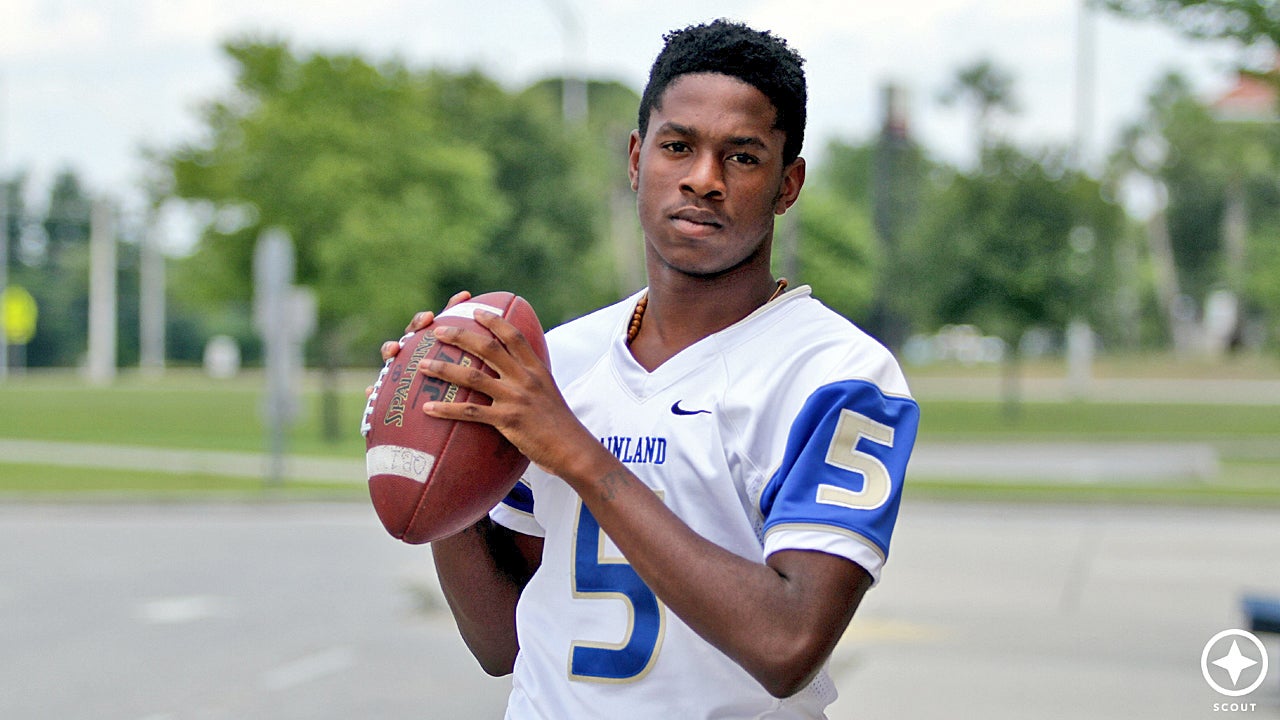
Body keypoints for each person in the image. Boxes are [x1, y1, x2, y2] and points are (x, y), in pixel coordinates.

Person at [377, 19, 919, 718]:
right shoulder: (557, 360)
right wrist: (441, 441)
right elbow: (499, 643)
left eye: (743, 157)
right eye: (678, 147)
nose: (703, 179)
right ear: (636, 159)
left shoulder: (839, 375)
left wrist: (573, 447)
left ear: (789, 186)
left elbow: (788, 646)